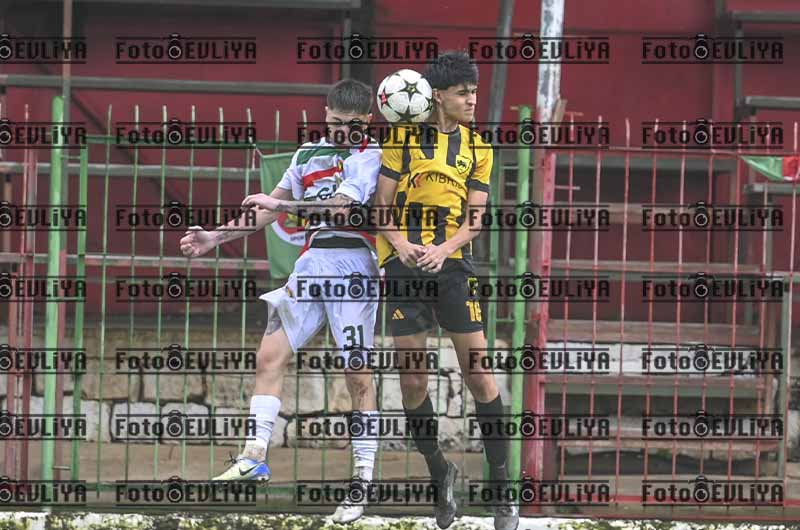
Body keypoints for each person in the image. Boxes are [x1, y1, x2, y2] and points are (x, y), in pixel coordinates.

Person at [179, 78, 382, 524]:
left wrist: (282, 207)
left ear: (367, 121)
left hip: (354, 266)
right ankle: (254, 456)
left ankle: (362, 479)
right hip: (311, 264)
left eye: (350, 124)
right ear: (325, 115)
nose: (340, 131)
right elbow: (268, 208)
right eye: (334, 122)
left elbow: (339, 209)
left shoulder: (371, 155)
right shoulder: (306, 154)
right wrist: (215, 236)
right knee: (268, 355)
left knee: (357, 373)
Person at [373, 51, 519, 530]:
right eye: (463, 93)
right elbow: (382, 205)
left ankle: (501, 487)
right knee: (413, 381)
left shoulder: (479, 147)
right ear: (437, 96)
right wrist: (401, 244)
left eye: (475, 91)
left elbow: (475, 219)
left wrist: (445, 248)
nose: (473, 100)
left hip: (454, 266)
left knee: (479, 375)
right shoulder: (401, 139)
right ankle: (440, 473)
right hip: (405, 268)